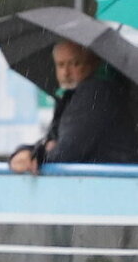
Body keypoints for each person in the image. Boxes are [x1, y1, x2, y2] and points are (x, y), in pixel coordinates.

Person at [8, 40, 138, 173]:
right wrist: (28, 151)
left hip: (112, 183)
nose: (66, 73)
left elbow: (68, 150)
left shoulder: (95, 92)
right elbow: (53, 140)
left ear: (93, 64)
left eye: (75, 64)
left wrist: (36, 157)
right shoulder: (74, 96)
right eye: (60, 65)